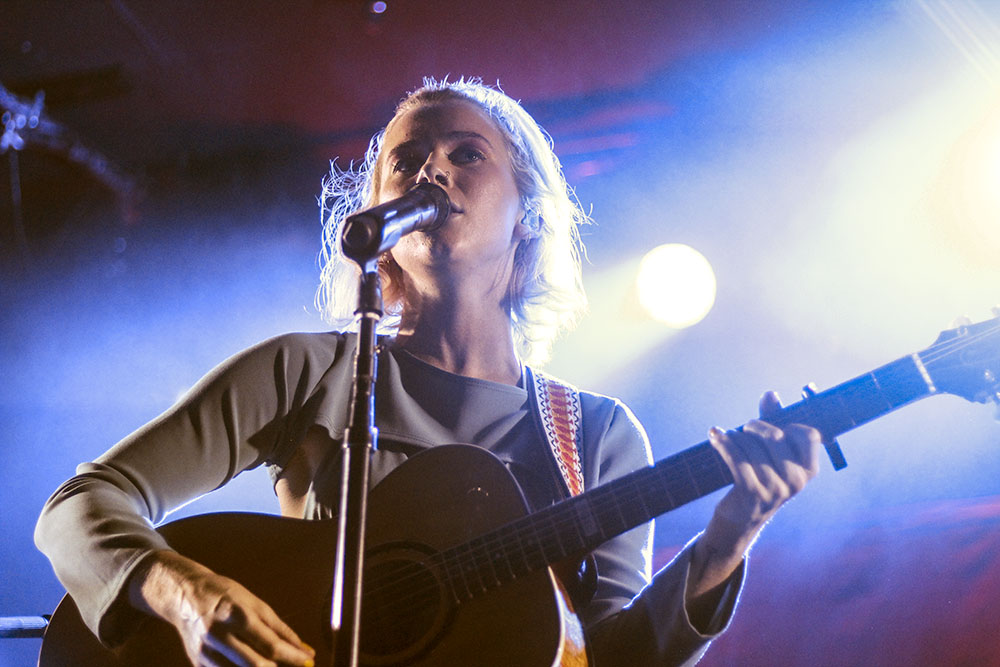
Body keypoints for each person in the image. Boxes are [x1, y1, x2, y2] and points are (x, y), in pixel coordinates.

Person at [36, 77, 821, 667]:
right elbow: (79, 506)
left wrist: (729, 536)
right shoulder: (306, 370)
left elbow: (610, 657)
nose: (429, 173)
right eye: (404, 161)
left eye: (466, 155)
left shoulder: (597, 434)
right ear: (375, 216)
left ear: (528, 215)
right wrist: (183, 589)